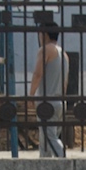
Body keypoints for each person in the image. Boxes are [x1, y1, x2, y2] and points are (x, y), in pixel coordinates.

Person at [29, 25, 69, 158]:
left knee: (49, 139)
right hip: (59, 102)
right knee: (46, 141)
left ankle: (65, 164)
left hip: (47, 103)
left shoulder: (45, 50)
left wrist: (31, 95)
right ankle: (45, 169)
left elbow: (37, 74)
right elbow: (65, 82)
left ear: (45, 34)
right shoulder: (63, 54)